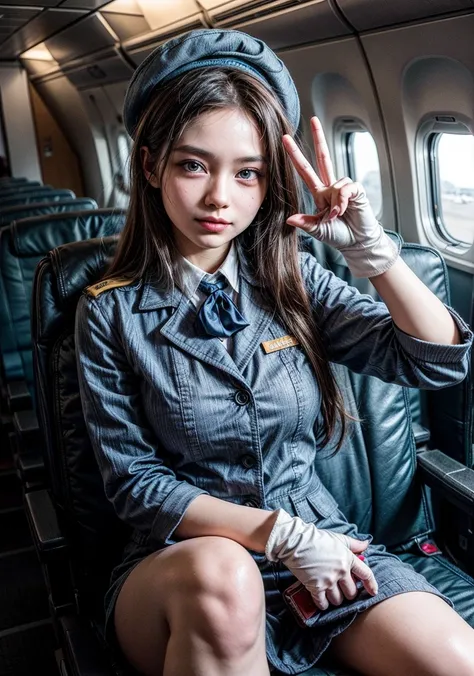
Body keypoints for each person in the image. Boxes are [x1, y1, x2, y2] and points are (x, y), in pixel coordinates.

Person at [75, 28, 474, 676]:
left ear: (268, 183)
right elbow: (136, 486)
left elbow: (434, 361)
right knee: (224, 578)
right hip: (184, 564)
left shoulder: (294, 282)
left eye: (248, 172)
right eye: (193, 164)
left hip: (322, 543)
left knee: (456, 657)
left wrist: (374, 257)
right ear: (151, 166)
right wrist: (277, 535)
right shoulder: (109, 312)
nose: (218, 198)